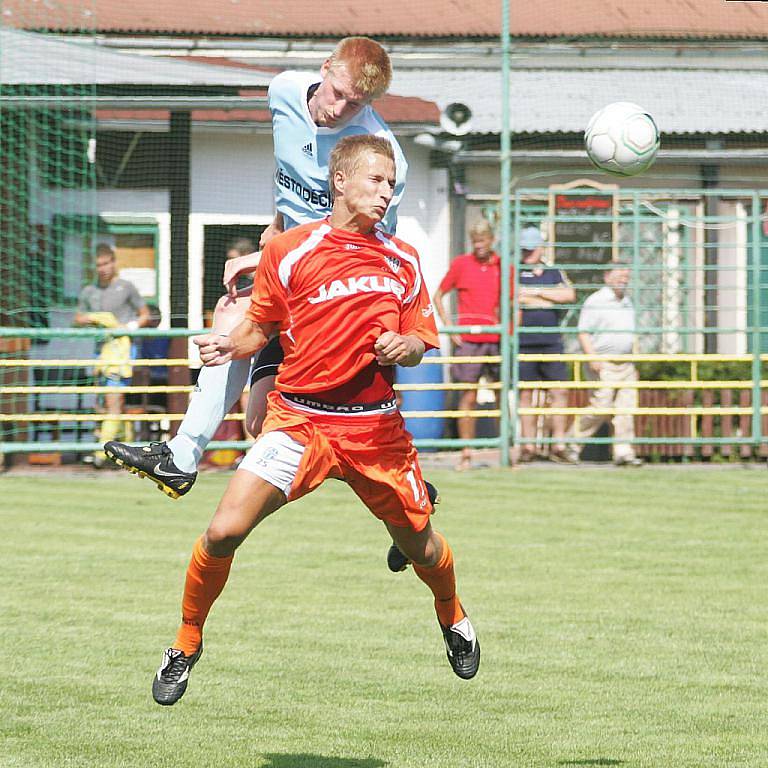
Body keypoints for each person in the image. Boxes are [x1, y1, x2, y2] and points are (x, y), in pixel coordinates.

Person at [150, 136, 479, 707]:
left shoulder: (402, 258)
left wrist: (405, 346)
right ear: (341, 182)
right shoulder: (289, 251)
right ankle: (184, 643)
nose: (386, 190)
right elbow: (261, 330)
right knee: (223, 531)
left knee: (423, 549)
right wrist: (226, 346)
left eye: (391, 181)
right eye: (375, 179)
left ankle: (453, 617)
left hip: (375, 428)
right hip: (300, 421)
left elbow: (423, 339)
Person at [105, 37, 409, 498]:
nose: (342, 109)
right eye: (339, 93)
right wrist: (276, 224)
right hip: (291, 264)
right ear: (325, 68)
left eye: (358, 104)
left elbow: (355, 241)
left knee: (242, 344)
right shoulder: (284, 90)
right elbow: (290, 175)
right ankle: (182, 456)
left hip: (339, 287)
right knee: (257, 409)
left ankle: (182, 456)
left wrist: (262, 255)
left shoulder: (378, 154)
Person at [433, 219, 502, 471]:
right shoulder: (461, 263)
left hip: (495, 337)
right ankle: (466, 453)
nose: (479, 246)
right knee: (468, 397)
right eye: (475, 241)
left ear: (492, 240)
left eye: (482, 241)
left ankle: (505, 452)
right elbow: (438, 295)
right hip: (469, 341)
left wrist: (508, 330)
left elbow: (511, 301)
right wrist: (450, 328)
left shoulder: (502, 266)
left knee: (501, 395)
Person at [74, 243, 149, 466]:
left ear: (114, 262)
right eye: (98, 265)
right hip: (101, 352)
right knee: (107, 403)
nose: (103, 268)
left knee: (113, 400)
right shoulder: (89, 291)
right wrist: (93, 318)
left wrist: (128, 327)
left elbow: (145, 315)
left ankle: (100, 454)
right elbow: (77, 318)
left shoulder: (126, 287)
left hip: (123, 351)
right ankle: (127, 450)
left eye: (106, 263)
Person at [571, 265, 643, 466]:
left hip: (626, 362)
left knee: (626, 407)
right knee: (601, 406)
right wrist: (592, 357)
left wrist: (634, 359)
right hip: (603, 361)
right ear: (607, 277)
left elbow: (631, 334)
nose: (623, 280)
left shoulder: (628, 302)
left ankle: (623, 452)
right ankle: (571, 442)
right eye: (619, 276)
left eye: (626, 276)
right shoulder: (596, 301)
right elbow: (584, 331)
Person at [516, 225, 577, 463]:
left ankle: (558, 444)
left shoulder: (554, 272)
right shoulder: (516, 271)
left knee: (559, 391)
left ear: (541, 249)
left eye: (531, 250)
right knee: (526, 395)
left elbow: (569, 295)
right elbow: (514, 296)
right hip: (524, 341)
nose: (527, 254)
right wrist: (548, 295)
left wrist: (535, 293)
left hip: (552, 341)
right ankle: (528, 446)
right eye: (524, 250)